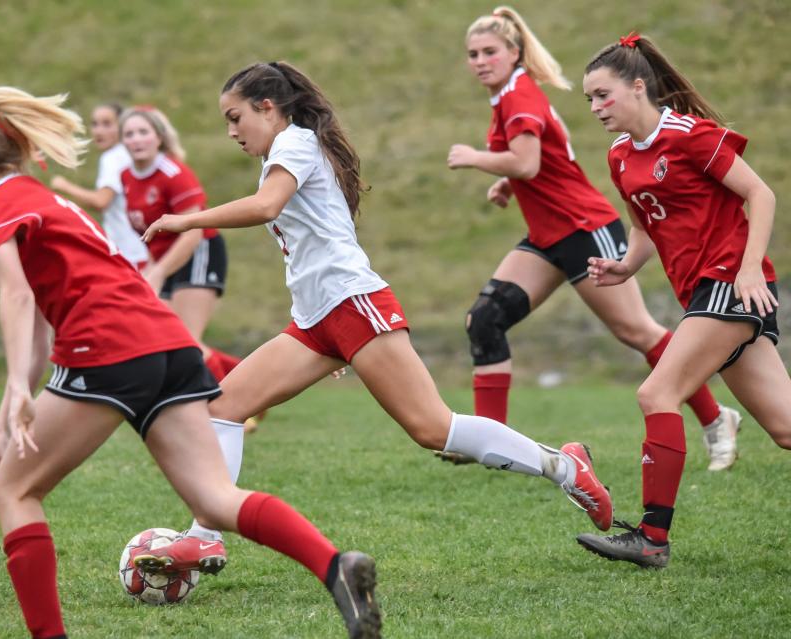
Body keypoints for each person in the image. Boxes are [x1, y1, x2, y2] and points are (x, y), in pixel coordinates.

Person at [0, 86, 381, 639]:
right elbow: (34, 325)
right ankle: (334, 565)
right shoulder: (49, 202)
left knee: (14, 491)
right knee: (214, 498)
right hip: (167, 339)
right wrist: (10, 410)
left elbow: (15, 296)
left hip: (106, 345)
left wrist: (15, 388)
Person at [142, 61, 616, 560]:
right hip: (315, 320)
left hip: (352, 306)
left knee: (434, 429)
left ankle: (566, 467)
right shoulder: (288, 149)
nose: (231, 131)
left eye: (235, 117)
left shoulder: (295, 143)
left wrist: (185, 220)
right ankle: (204, 538)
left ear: (267, 107)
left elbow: (266, 207)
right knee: (224, 407)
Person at [445, 6, 741, 472]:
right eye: (472, 54)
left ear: (514, 53)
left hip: (585, 229)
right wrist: (512, 183)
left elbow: (525, 161)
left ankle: (715, 417)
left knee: (636, 331)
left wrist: (478, 159)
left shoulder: (519, 96)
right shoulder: (509, 96)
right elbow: (543, 159)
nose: (480, 60)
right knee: (485, 318)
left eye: (489, 52)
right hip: (548, 234)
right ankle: (491, 445)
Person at [575, 32, 791, 568]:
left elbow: (759, 193)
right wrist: (626, 265)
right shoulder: (621, 157)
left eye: (603, 95)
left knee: (657, 394)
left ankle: (651, 537)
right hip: (705, 294)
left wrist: (747, 271)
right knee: (786, 429)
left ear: (638, 86)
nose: (596, 108)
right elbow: (644, 223)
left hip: (730, 286)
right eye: (589, 100)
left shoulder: (690, 135)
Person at [118, 107, 244, 384]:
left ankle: (232, 403)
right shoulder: (126, 177)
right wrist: (148, 271)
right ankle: (244, 377)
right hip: (166, 260)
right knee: (164, 337)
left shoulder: (174, 174)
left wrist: (158, 273)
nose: (136, 139)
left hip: (200, 251)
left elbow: (192, 233)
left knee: (186, 341)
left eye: (143, 132)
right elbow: (154, 237)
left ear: (159, 138)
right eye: (129, 134)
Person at [50, 102, 149, 268]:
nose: (99, 131)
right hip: (143, 249)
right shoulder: (128, 154)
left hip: (131, 253)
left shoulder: (112, 158)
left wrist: (65, 186)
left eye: (107, 124)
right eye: (95, 124)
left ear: (122, 126)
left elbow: (101, 201)